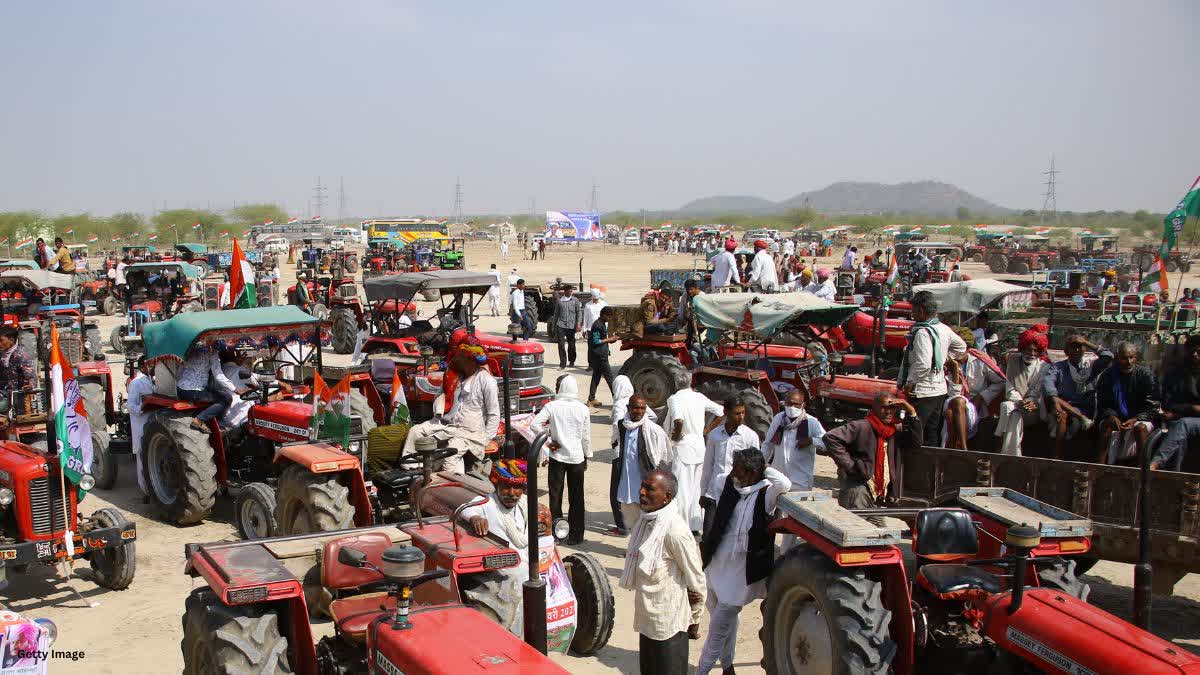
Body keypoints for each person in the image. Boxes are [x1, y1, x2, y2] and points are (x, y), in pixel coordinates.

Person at [697, 449, 791, 675]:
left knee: (719, 624)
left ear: (753, 473)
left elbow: (785, 483)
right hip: (718, 561)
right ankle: (728, 666)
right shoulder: (725, 482)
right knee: (722, 619)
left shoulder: (767, 494)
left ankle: (702, 670)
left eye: (738, 469)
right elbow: (712, 504)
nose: (733, 473)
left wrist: (763, 467)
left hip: (743, 569)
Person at [621, 468, 706, 675]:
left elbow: (696, 579)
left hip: (670, 625)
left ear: (667, 497)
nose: (641, 491)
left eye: (649, 489)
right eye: (642, 485)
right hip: (648, 621)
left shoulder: (674, 530)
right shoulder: (645, 522)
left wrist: (694, 618)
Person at [402, 342, 501, 472]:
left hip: (470, 432)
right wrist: (440, 410)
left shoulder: (486, 380)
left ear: (471, 362)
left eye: (461, 359)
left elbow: (494, 414)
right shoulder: (453, 376)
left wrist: (486, 439)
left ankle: (454, 485)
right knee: (416, 431)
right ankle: (413, 468)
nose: (456, 362)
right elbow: (440, 395)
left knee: (450, 456)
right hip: (446, 423)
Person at [824, 391, 921, 521]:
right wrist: (850, 465)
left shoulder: (894, 430)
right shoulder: (861, 426)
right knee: (859, 533)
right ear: (874, 409)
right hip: (858, 489)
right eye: (884, 407)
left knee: (879, 536)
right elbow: (830, 437)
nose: (888, 412)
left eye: (892, 407)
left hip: (875, 494)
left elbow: (916, 443)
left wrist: (912, 411)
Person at [898, 290, 966, 446]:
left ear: (921, 311)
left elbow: (923, 364)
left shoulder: (922, 332)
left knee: (916, 433)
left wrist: (910, 382)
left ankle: (917, 468)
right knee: (932, 433)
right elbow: (961, 347)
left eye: (914, 311)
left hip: (923, 391)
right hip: (939, 390)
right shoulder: (943, 328)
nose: (912, 314)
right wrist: (942, 359)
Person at [533, 374, 591, 544]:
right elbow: (586, 437)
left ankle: (556, 535)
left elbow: (535, 424)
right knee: (577, 497)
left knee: (555, 495)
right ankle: (576, 535)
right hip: (576, 457)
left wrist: (549, 442)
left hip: (557, 457)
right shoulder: (583, 408)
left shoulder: (552, 406)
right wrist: (587, 455)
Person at [663, 377, 725, 533]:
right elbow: (721, 411)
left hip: (683, 447)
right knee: (696, 487)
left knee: (681, 487)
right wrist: (706, 430)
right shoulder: (699, 397)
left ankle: (681, 523)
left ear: (676, 384)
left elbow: (678, 420)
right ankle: (695, 524)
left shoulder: (675, 398)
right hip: (698, 447)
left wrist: (676, 435)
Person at [609, 394, 671, 535]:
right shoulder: (622, 425)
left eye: (643, 408)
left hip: (644, 480)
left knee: (647, 519)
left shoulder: (652, 430)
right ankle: (633, 549)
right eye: (636, 408)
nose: (639, 412)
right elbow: (616, 444)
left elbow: (663, 455)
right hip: (627, 480)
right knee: (631, 519)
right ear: (628, 408)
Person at [1043, 333, 1111, 459]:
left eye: (1080, 347)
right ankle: (1056, 456)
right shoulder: (1059, 367)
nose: (1077, 350)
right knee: (1060, 414)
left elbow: (1108, 357)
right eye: (1073, 347)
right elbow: (1048, 383)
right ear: (1066, 351)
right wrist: (1054, 398)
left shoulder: (1091, 365)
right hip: (1064, 406)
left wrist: (1087, 343)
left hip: (1087, 408)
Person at [699, 397, 759, 537]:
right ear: (726, 412)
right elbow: (708, 465)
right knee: (708, 536)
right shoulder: (714, 435)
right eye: (737, 413)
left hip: (737, 494)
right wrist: (703, 493)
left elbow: (756, 468)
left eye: (743, 413)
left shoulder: (750, 436)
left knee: (730, 537)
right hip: (714, 494)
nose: (741, 417)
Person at [941, 329, 1007, 450]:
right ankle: (964, 448)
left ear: (967, 348)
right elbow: (953, 395)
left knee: (952, 413)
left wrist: (982, 396)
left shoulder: (980, 360)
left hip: (977, 407)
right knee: (958, 403)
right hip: (953, 403)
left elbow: (1001, 382)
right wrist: (955, 371)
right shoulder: (946, 364)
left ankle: (956, 448)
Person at [994, 325, 1052, 456]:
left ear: (1039, 352)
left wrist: (1030, 402)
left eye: (1035, 351)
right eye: (1028, 350)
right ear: (1022, 348)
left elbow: (1037, 391)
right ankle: (1013, 453)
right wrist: (1020, 402)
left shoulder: (1044, 367)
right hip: (1016, 405)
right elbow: (1010, 388)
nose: (1031, 354)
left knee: (1008, 408)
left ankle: (999, 438)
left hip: (1034, 409)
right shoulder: (1013, 360)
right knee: (1012, 411)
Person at [1096, 342, 1157, 465]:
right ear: (1117, 357)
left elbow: (1153, 405)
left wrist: (1135, 418)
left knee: (1141, 428)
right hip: (1115, 418)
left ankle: (1143, 471)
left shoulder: (1146, 375)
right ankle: (1098, 469)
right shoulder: (1108, 376)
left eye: (1131, 357)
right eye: (1124, 358)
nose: (1129, 362)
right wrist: (1112, 416)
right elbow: (1103, 402)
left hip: (1140, 417)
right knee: (1107, 426)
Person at [763, 388, 826, 491]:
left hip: (800, 482)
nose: (792, 407)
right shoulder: (779, 419)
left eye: (796, 404)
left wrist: (811, 440)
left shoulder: (811, 422)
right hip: (778, 479)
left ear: (803, 405)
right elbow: (768, 445)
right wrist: (760, 465)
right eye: (789, 403)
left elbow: (826, 442)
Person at [176, 346, 250, 435]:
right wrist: (236, 389)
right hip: (194, 391)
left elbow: (180, 370)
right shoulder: (212, 352)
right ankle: (200, 419)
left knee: (217, 393)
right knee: (226, 398)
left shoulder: (190, 349)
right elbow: (218, 375)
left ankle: (217, 421)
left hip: (181, 388)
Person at [1153, 334, 1200, 471]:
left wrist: (1185, 410)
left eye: (1199, 351)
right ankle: (1175, 477)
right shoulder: (1176, 373)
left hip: (1187, 420)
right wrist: (1192, 408)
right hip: (1179, 418)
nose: (1195, 354)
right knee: (1178, 430)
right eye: (1192, 351)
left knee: (1182, 424)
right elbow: (1168, 403)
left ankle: (1156, 462)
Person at [0, 326, 36, 423]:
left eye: (1, 341)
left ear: (11, 340)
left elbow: (31, 377)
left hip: (16, 397)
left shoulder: (21, 356)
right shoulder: (3, 355)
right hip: (4, 393)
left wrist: (29, 386)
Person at [587, 306, 620, 406]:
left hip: (598, 354)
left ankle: (591, 399)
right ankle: (617, 400)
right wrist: (610, 339)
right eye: (609, 317)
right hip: (600, 356)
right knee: (610, 378)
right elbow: (596, 341)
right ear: (604, 315)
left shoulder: (601, 324)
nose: (609, 319)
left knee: (596, 377)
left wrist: (610, 340)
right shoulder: (597, 325)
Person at [551, 284, 584, 368]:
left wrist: (579, 324)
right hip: (561, 325)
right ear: (565, 291)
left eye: (571, 291)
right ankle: (563, 363)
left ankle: (572, 360)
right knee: (561, 345)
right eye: (569, 291)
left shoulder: (575, 300)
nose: (570, 292)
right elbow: (556, 314)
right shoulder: (559, 301)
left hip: (571, 326)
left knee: (571, 345)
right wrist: (553, 327)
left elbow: (579, 313)